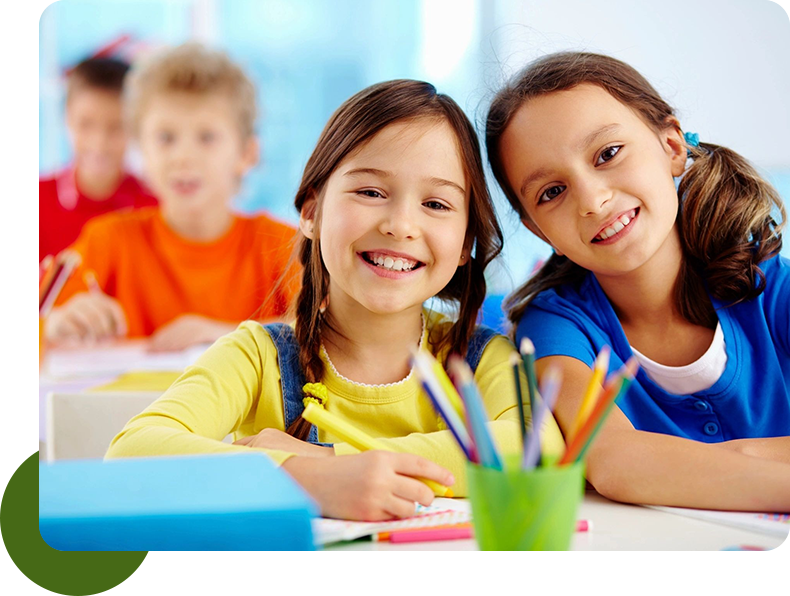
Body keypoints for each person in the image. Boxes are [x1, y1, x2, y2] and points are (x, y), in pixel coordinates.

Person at [107, 79, 564, 520]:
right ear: (311, 213)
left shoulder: (483, 359)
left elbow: (535, 445)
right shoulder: (258, 357)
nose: (401, 224)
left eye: (436, 204)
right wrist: (303, 477)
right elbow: (132, 452)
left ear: (466, 241)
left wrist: (327, 462)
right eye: (370, 192)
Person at [486, 51, 790, 511]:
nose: (592, 199)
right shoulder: (554, 328)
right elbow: (613, 462)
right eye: (552, 192)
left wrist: (688, 465)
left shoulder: (773, 288)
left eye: (607, 154)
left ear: (671, 146)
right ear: (539, 231)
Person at [44, 44, 298, 352]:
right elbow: (44, 320)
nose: (183, 157)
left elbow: (332, 329)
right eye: (166, 138)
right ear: (141, 150)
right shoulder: (108, 240)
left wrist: (229, 337)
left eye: (206, 137)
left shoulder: (282, 246)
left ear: (247, 153)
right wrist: (58, 323)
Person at [39, 56, 157, 262]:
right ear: (67, 119)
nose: (99, 143)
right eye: (85, 124)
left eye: (116, 126)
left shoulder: (155, 210)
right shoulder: (41, 200)